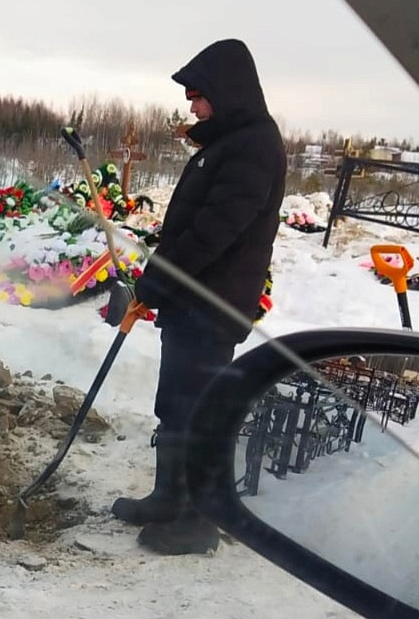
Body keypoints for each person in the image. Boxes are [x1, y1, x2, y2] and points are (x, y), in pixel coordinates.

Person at [112, 39, 287, 555]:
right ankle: (170, 498)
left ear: (225, 92)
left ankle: (197, 520)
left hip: (212, 305)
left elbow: (215, 231)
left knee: (199, 412)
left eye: (197, 95)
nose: (192, 106)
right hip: (194, 303)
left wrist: (158, 278)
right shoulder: (228, 142)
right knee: (177, 405)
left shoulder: (253, 146)